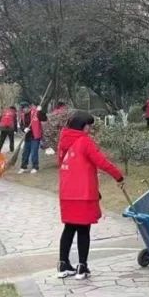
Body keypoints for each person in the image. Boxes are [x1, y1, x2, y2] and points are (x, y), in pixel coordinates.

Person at [56, 110, 124, 280]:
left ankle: (63, 264)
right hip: (83, 194)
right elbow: (101, 161)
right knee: (84, 229)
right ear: (82, 126)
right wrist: (118, 176)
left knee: (69, 228)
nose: (89, 129)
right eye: (88, 126)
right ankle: (82, 266)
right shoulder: (84, 142)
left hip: (66, 193)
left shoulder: (63, 141)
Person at [18, 101, 47, 174]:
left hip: (35, 136)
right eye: (22, 109)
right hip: (27, 136)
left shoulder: (35, 112)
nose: (23, 110)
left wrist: (41, 111)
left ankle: (35, 167)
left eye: (24, 108)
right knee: (25, 152)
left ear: (28, 107)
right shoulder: (22, 115)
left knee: (34, 152)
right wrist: (24, 129)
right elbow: (21, 125)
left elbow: (44, 118)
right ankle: (23, 167)